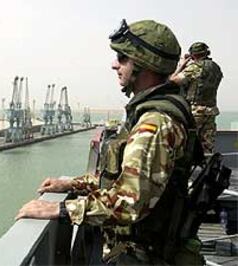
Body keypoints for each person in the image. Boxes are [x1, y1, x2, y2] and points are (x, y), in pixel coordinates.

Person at [16, 19, 204, 265]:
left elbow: (129, 203)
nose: (115, 65)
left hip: (143, 256)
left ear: (144, 64)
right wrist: (73, 184)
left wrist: (61, 210)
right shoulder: (151, 112)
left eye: (123, 58)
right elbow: (123, 178)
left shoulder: (154, 124)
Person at [170, 42, 223, 154]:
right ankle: (208, 169)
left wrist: (182, 65)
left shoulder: (194, 68)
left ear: (192, 55)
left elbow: (173, 80)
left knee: (186, 143)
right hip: (210, 111)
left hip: (195, 112)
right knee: (207, 146)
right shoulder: (216, 67)